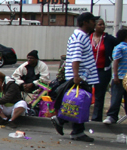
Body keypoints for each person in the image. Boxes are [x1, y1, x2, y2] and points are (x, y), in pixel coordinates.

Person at [51, 12, 99, 142]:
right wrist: (77, 75)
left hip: (82, 75)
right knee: (80, 103)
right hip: (81, 76)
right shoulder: (80, 37)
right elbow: (76, 57)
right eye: (92, 21)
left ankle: (71, 127)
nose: (94, 23)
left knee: (77, 102)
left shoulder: (80, 36)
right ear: (85, 22)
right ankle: (68, 125)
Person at [89, 18, 117, 122]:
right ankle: (83, 115)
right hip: (89, 70)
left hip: (103, 70)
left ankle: (96, 119)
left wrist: (112, 57)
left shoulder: (108, 38)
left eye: (103, 24)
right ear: (94, 26)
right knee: (86, 93)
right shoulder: (89, 37)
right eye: (100, 24)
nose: (102, 26)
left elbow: (120, 45)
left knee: (99, 95)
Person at [104, 28, 127, 124]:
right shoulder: (119, 47)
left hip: (125, 78)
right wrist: (116, 76)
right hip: (120, 78)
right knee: (116, 98)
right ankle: (112, 116)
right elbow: (116, 62)